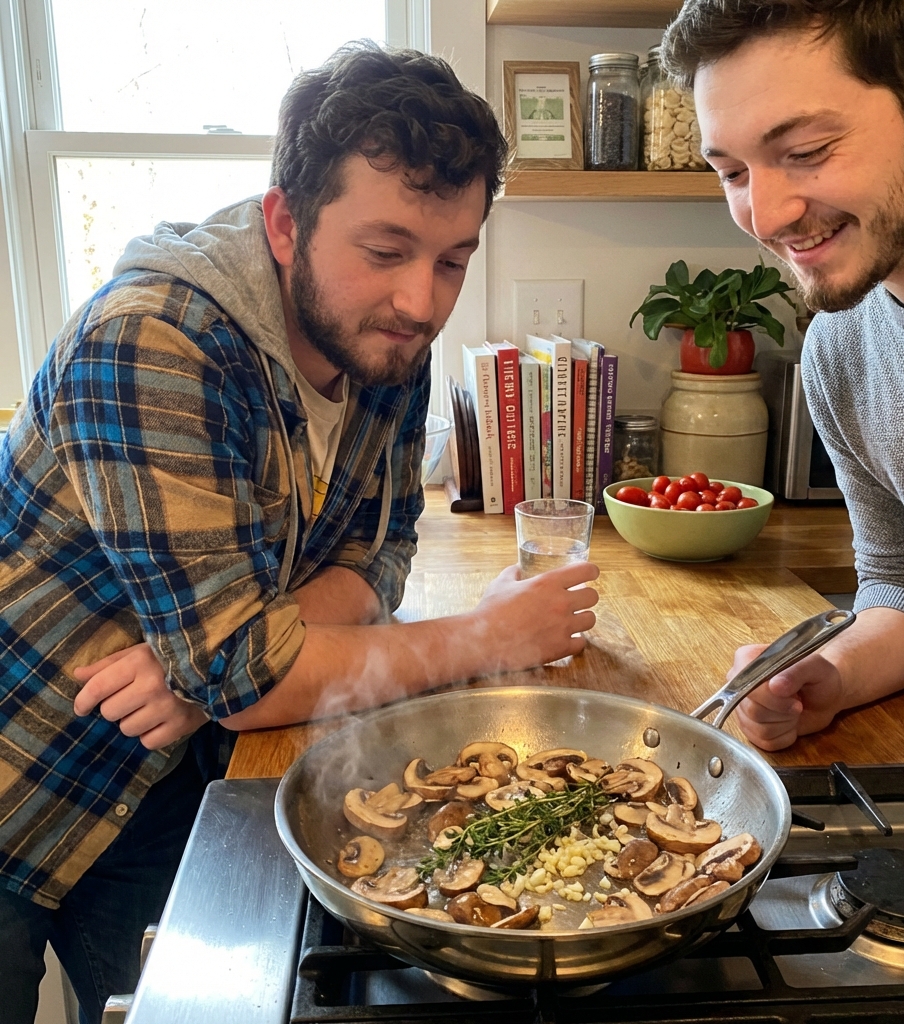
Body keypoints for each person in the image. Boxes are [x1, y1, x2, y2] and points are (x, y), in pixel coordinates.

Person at [0, 43, 599, 1023]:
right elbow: (244, 677)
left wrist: (214, 669)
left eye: (452, 260)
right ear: (285, 224)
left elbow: (381, 553)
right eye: (385, 250)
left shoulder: (383, 341)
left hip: (159, 775)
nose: (422, 301)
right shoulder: (152, 342)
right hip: (21, 775)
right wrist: (487, 637)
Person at [661, 0, 904, 749]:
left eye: (807, 150)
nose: (765, 216)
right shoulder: (840, 350)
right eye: (732, 172)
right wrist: (832, 671)